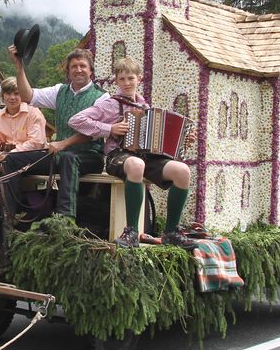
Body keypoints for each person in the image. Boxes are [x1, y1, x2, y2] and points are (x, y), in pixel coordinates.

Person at [69, 57, 195, 249]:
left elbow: (162, 146)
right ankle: (131, 232)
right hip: (117, 157)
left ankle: (171, 232)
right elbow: (77, 120)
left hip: (146, 157)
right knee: (137, 164)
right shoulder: (110, 104)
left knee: (183, 171)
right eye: (122, 79)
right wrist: (109, 128)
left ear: (139, 79)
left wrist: (184, 140)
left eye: (130, 78)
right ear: (116, 81)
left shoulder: (147, 109)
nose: (126, 83)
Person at [0, 45, 106, 223]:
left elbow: (94, 131)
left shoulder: (102, 97)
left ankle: (65, 221)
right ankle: (10, 216)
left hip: (90, 156)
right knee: (12, 160)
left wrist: (63, 144)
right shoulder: (60, 91)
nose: (78, 70)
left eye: (83, 66)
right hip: (60, 154)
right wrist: (19, 66)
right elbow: (28, 96)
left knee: (68, 158)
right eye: (74, 66)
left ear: (91, 71)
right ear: (68, 71)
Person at [0, 77, 47, 199]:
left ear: (23, 95)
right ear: (3, 95)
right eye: (8, 93)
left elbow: (36, 143)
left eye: (17, 93)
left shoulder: (33, 112)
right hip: (2, 157)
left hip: (29, 158)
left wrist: (10, 153)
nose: (12, 97)